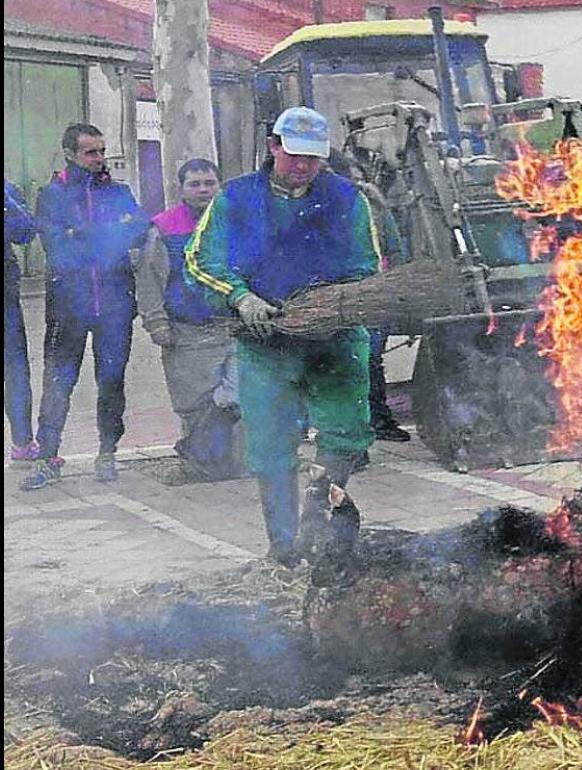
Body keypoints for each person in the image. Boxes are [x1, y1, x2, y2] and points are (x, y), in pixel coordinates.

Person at [184, 106, 380, 567]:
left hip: (336, 341)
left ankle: (315, 521)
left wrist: (335, 307)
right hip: (265, 344)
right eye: (294, 156)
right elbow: (198, 260)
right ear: (273, 147)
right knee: (271, 445)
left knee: (347, 433)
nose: (303, 167)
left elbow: (367, 267)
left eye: (313, 159)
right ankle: (281, 545)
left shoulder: (349, 200)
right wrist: (240, 298)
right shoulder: (235, 199)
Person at [21, 124, 149, 491]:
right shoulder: (52, 196)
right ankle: (47, 458)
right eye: (91, 152)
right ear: (70, 154)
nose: (99, 159)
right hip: (68, 306)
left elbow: (139, 228)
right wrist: (106, 231)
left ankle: (107, 452)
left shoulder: (118, 191)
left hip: (114, 306)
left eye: (101, 151)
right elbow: (56, 246)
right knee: (58, 382)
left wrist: (84, 231)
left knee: (112, 382)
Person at [132, 158, 245, 481]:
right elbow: (149, 279)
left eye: (209, 183)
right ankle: (196, 467)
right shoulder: (164, 228)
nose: (203, 190)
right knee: (195, 405)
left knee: (238, 400)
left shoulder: (235, 222)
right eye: (194, 184)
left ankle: (236, 465)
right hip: (187, 333)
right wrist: (156, 322)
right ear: (180, 189)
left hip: (234, 328)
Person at [327, 150, 411, 444]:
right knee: (342, 364)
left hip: (372, 295)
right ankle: (350, 435)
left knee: (370, 360)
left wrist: (392, 286)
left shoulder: (371, 205)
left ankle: (378, 420)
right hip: (333, 299)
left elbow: (394, 248)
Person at [5, 180, 39, 462]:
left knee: (15, 369)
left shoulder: (6, 190)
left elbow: (26, 232)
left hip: (4, 298)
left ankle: (23, 443)